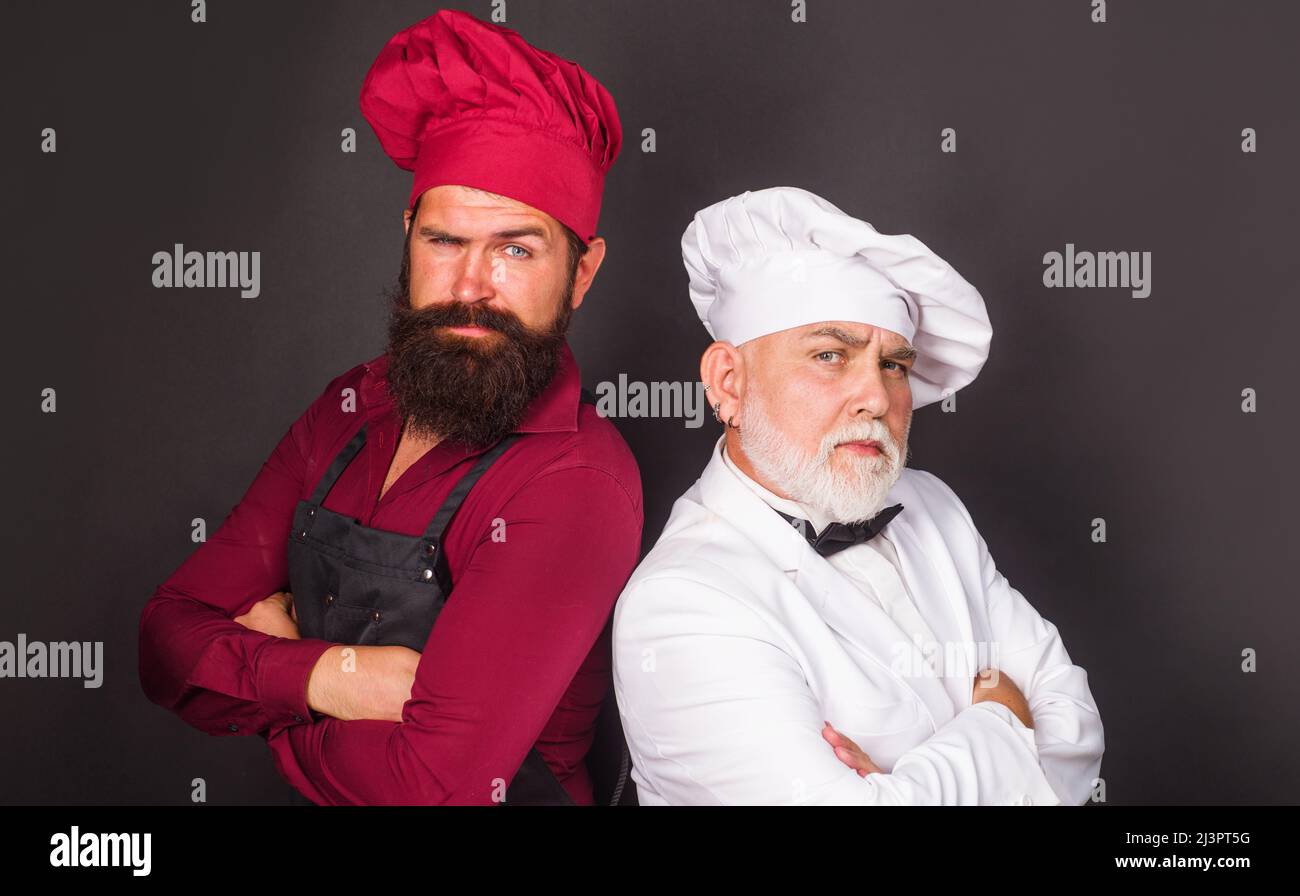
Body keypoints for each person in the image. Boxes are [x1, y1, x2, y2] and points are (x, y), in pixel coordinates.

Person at [138, 9, 642, 806]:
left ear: (581, 274)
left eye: (517, 248)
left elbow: (433, 787)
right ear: (408, 235)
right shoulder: (347, 407)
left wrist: (270, 684)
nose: (472, 284)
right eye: (445, 242)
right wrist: (341, 678)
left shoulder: (576, 480)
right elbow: (166, 641)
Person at [612, 186, 1104, 805]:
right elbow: (1039, 733)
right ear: (729, 383)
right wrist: (1004, 721)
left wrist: (905, 786)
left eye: (893, 365)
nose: (875, 397)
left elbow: (1075, 729)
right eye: (829, 355)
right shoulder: (680, 604)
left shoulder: (932, 506)